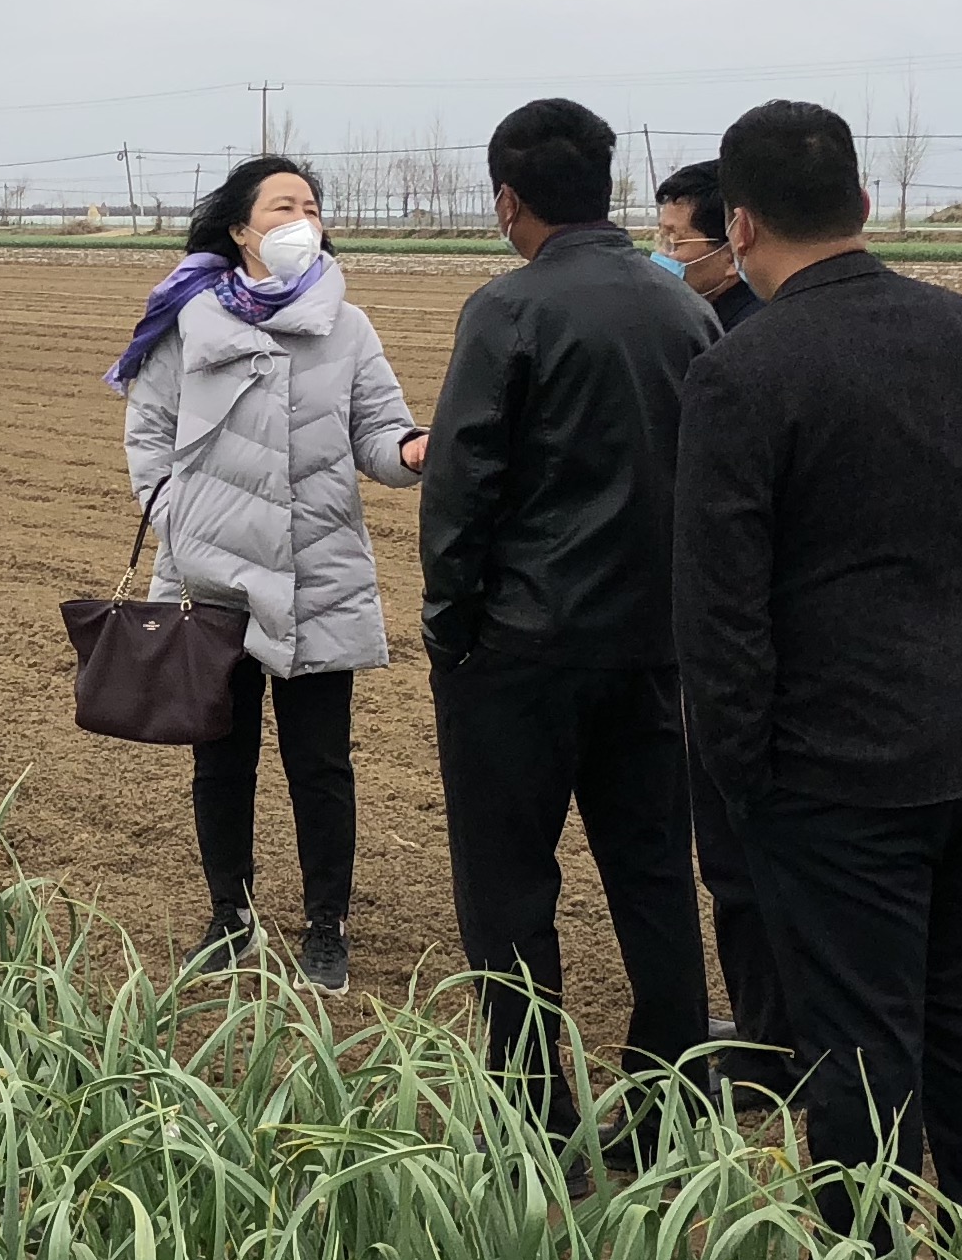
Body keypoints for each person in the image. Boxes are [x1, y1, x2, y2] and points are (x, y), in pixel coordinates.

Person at [674, 100, 962, 1260]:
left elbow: (720, 612)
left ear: (739, 226)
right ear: (867, 204)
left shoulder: (742, 371)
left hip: (840, 769)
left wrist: (742, 779)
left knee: (856, 1038)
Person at [415, 98, 715, 1160]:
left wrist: (450, 627)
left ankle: (530, 1115)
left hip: (523, 647)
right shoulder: (685, 308)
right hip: (653, 648)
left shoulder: (508, 309)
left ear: (508, 199)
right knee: (654, 876)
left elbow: (461, 485)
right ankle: (674, 1101)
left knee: (509, 889)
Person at [111, 156, 427, 992]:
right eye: (283, 207)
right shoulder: (187, 323)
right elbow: (149, 436)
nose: (301, 222)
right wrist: (181, 519)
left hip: (316, 573)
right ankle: (231, 915)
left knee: (320, 764)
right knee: (222, 759)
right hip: (211, 577)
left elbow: (378, 432)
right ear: (240, 230)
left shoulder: (346, 327)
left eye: (311, 208)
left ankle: (327, 924)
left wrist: (410, 452)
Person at [652, 153, 790, 1099]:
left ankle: (773, 1045)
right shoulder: (715, 323)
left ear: (732, 235)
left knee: (747, 856)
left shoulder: (741, 346)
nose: (664, 255)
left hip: (747, 650)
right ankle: (766, 1021)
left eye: (676, 239)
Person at [650, 158, 757, 331]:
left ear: (733, 254)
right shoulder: (692, 317)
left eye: (674, 242)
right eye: (661, 238)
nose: (659, 255)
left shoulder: (748, 333)